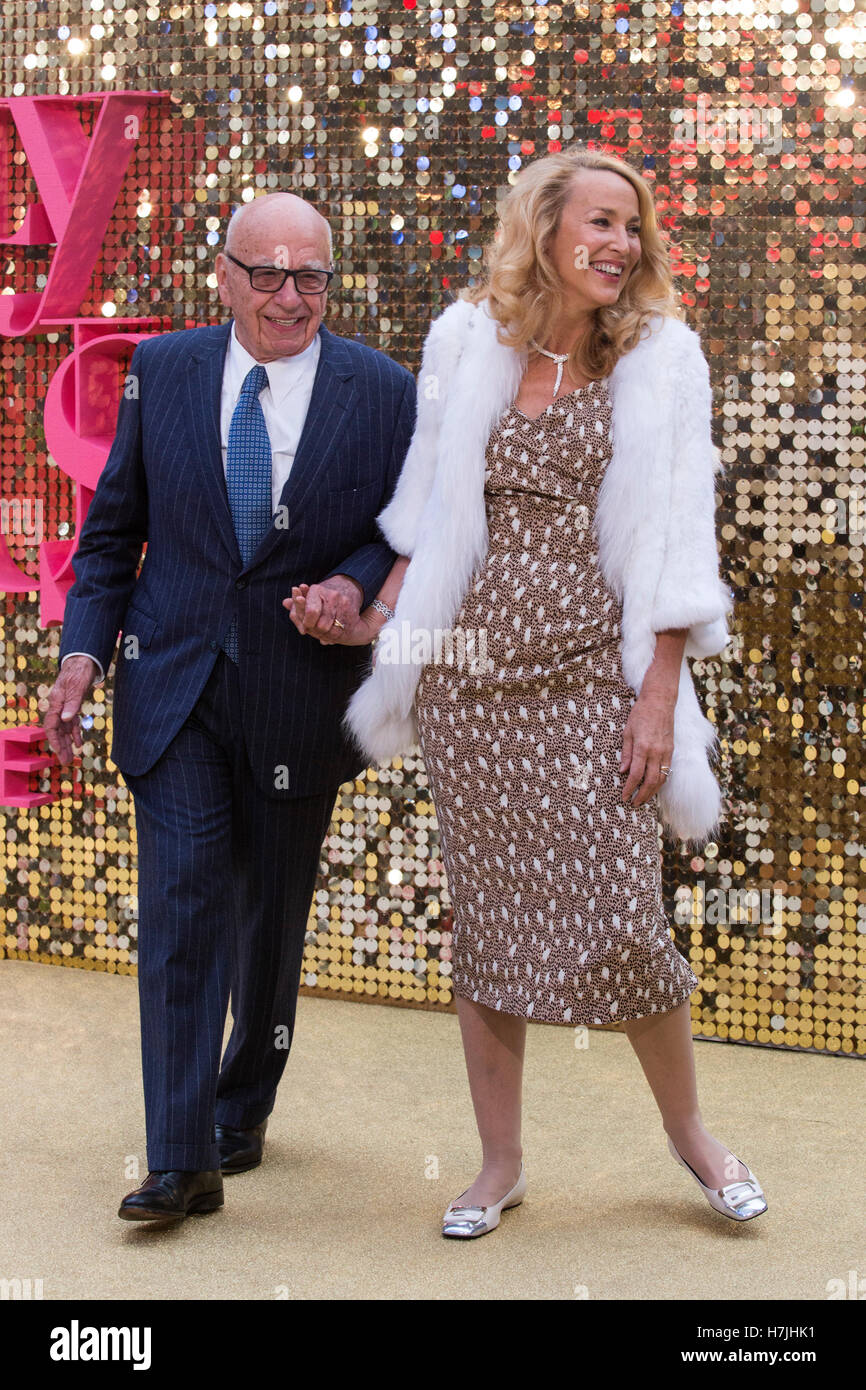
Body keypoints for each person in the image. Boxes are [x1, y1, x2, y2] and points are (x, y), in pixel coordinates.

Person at [291, 148, 768, 1237]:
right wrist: (372, 615)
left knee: (620, 916)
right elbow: (424, 513)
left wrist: (657, 698)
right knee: (491, 925)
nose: (620, 244)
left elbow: (675, 546)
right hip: (471, 688)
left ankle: (691, 1135)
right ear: (545, 228)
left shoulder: (660, 360)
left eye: (632, 227)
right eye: (599, 221)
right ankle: (498, 1161)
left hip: (589, 681)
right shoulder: (466, 341)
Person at [43, 191, 416, 1223]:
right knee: (182, 910)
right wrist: (82, 652)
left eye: (310, 278)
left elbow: (405, 526)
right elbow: (113, 536)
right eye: (268, 275)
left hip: (299, 695)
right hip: (173, 688)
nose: (289, 298)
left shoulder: (381, 392)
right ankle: (180, 1158)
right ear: (224, 274)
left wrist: (353, 584)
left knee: (268, 922)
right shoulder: (160, 373)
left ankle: (242, 1103)